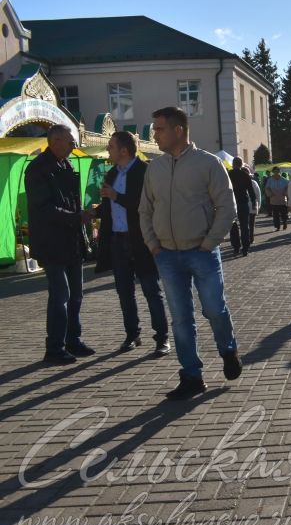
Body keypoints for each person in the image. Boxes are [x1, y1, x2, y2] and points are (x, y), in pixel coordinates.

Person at [140, 106, 242, 400]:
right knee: (181, 319)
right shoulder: (154, 168)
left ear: (178, 131)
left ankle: (228, 349)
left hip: (202, 252)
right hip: (167, 256)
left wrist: (210, 242)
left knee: (213, 308)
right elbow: (144, 209)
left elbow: (227, 207)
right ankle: (192, 376)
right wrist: (153, 245)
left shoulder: (208, 164)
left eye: (159, 129)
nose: (154, 135)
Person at [93, 131, 169, 355]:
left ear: (124, 150)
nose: (108, 150)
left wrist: (116, 196)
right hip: (117, 241)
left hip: (142, 240)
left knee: (151, 290)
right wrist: (95, 211)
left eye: (111, 147)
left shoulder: (145, 172)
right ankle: (132, 334)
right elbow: (109, 205)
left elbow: (146, 206)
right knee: (124, 292)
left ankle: (162, 337)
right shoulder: (111, 174)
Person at [25, 124, 96, 364]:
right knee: (60, 295)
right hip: (51, 243)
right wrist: (77, 217)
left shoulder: (65, 164)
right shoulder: (38, 169)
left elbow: (71, 201)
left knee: (76, 294)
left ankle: (72, 341)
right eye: (70, 142)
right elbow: (44, 209)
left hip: (71, 241)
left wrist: (81, 219)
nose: (74, 146)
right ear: (54, 142)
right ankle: (54, 347)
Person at [228, 157, 258, 256]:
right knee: (245, 226)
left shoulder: (229, 174)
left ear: (233, 164)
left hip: (232, 203)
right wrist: (254, 202)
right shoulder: (245, 175)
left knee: (233, 226)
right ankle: (245, 248)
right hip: (243, 203)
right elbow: (251, 191)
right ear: (241, 165)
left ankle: (236, 247)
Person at [247, 166, 261, 242]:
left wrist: (258, 206)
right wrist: (258, 206)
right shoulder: (253, 183)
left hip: (249, 206)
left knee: (247, 224)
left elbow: (258, 195)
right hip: (252, 206)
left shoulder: (253, 183)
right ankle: (250, 238)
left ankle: (249, 238)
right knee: (251, 224)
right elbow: (258, 196)